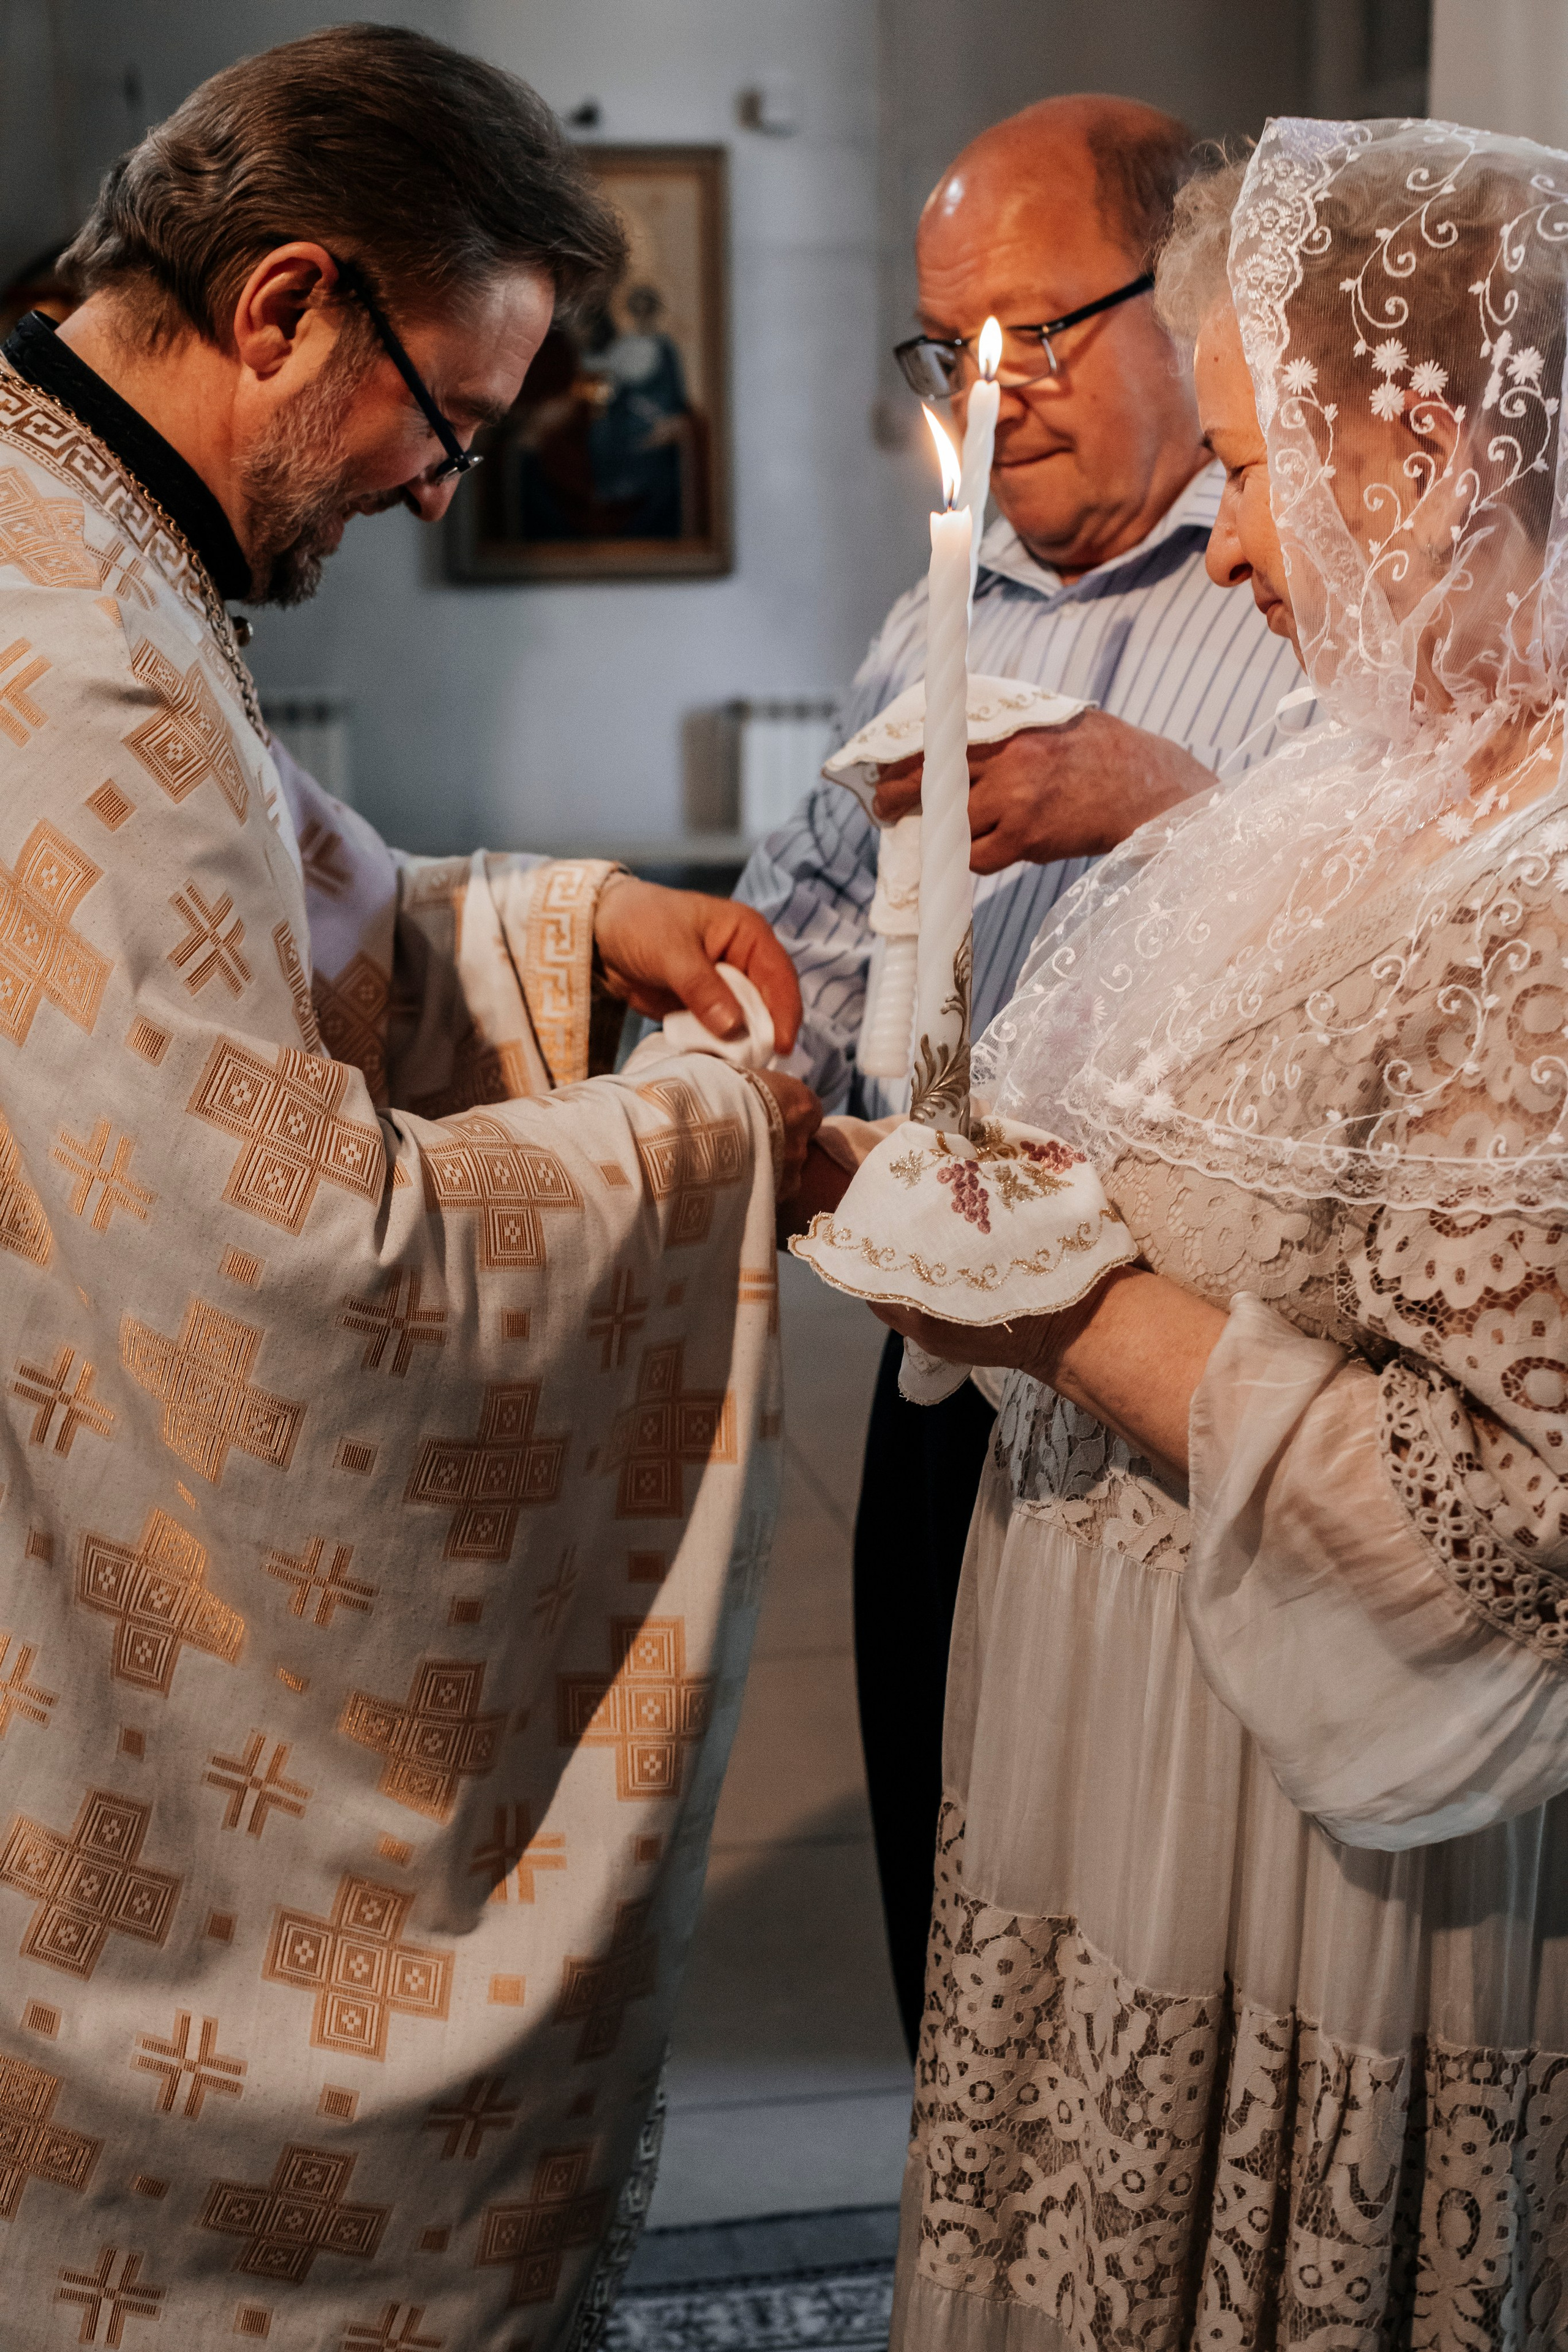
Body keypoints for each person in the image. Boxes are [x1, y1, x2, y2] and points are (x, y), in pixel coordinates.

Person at [0, 28, 821, 2348]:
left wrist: (571, 926)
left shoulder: (70, 522)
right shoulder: (72, 654)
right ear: (284, 309)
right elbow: (296, 1265)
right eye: (442, 418)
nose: (445, 487)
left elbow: (265, 917)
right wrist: (712, 1135)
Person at [851, 115, 1568, 2346]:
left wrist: (1055, 1301)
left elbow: (1509, 1519)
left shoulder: (1541, 896)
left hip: (1328, 1873)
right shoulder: (1353, 784)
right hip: (1123, 1800)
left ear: (1431, 458)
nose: (1230, 548)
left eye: (1253, 473)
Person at [739, 93, 1307, 2059]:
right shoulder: (941, 607)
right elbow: (812, 911)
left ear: (1189, 289)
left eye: (1039, 331)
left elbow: (1410, 924)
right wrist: (720, 1083)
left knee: (1161, 1926)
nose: (1000, 388)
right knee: (954, 1884)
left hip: (1181, 1368)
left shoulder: (1305, 585)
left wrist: (1173, 808)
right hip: (942, 1348)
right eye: (954, 350)